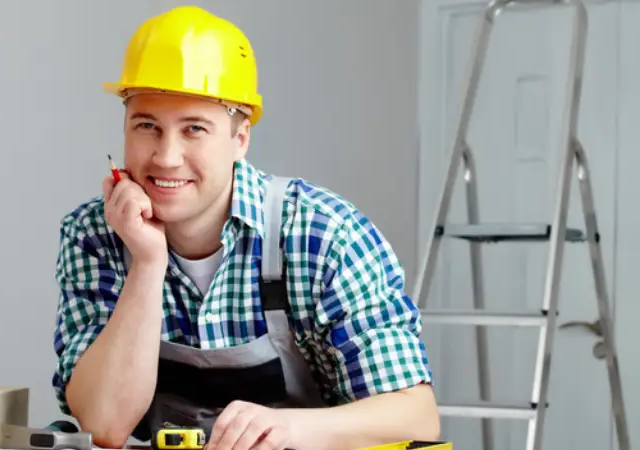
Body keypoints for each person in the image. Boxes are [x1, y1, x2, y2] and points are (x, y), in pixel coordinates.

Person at [52, 5, 439, 450]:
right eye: (147, 126)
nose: (166, 157)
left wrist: (291, 429)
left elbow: (415, 414)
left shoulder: (322, 235)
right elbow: (105, 425)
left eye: (194, 129)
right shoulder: (94, 236)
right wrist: (147, 262)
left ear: (240, 139)